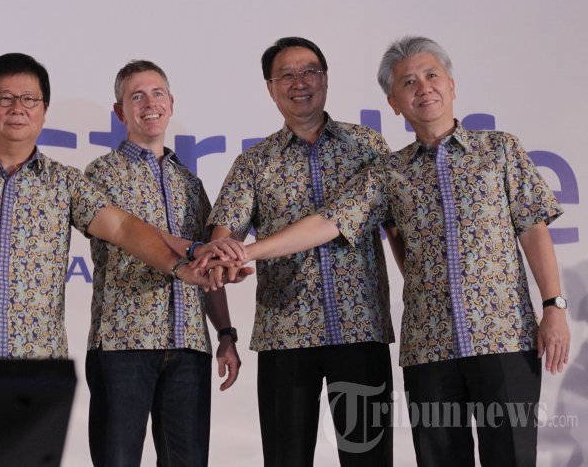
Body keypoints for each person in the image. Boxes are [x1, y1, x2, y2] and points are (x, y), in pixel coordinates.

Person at [230, 36, 571, 467]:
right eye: (408, 82)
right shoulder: (389, 172)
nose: (423, 88)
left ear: (451, 85)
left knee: (512, 459)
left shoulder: (500, 150)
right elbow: (328, 222)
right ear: (393, 102)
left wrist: (553, 306)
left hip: (504, 337)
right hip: (428, 350)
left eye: (432, 76)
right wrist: (249, 252)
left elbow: (534, 230)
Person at [0, 53, 235, 361]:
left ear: (44, 111)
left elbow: (122, 228)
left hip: (38, 366)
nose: (17, 108)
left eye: (29, 99)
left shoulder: (65, 183)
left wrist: (183, 263)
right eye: (5, 98)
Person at [207, 37, 398, 467]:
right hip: (285, 334)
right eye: (287, 75)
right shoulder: (254, 162)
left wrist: (247, 252)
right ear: (270, 88)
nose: (300, 83)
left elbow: (397, 229)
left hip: (359, 331)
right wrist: (224, 252)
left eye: (309, 72)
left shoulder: (368, 147)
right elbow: (225, 228)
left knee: (369, 459)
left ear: (325, 79)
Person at [83, 60, 248, 467]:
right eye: (137, 96)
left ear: (171, 104)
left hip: (189, 345)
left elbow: (207, 267)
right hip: (123, 344)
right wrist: (190, 253)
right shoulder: (101, 174)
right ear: (120, 111)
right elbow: (130, 232)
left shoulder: (190, 183)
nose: (149, 104)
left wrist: (226, 333)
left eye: (157, 94)